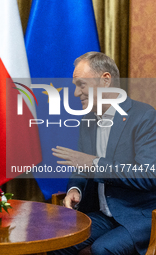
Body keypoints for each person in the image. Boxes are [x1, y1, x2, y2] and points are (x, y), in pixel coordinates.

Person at [50, 52, 156, 255]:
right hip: (103, 214)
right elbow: (82, 167)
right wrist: (75, 189)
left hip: (138, 216)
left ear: (106, 80)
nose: (75, 93)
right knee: (58, 242)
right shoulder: (88, 121)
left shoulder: (145, 117)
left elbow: (147, 176)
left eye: (81, 84)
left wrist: (96, 164)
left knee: (102, 249)